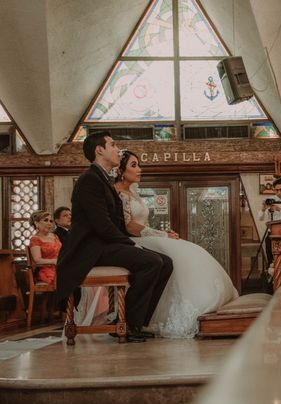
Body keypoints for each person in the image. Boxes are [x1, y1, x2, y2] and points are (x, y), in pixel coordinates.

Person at [56, 131, 173, 343]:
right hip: (90, 249)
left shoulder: (104, 179)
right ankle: (125, 323)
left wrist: (139, 240)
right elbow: (102, 226)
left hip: (105, 244)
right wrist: (131, 245)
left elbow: (118, 224)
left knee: (165, 262)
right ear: (99, 150)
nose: (118, 149)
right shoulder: (89, 180)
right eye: (113, 144)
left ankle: (136, 323)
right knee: (152, 262)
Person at [116, 150, 238, 338]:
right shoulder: (118, 193)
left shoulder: (134, 193)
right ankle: (136, 320)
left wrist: (163, 234)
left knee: (187, 249)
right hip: (131, 240)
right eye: (134, 165)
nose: (139, 169)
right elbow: (129, 226)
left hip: (145, 236)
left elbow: (142, 223)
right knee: (178, 253)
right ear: (120, 170)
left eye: (139, 164)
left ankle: (144, 320)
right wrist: (161, 234)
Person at [28, 210, 61, 285]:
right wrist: (54, 261)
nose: (49, 223)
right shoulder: (35, 239)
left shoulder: (55, 236)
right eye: (46, 220)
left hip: (60, 267)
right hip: (47, 271)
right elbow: (37, 260)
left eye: (51, 221)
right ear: (36, 223)